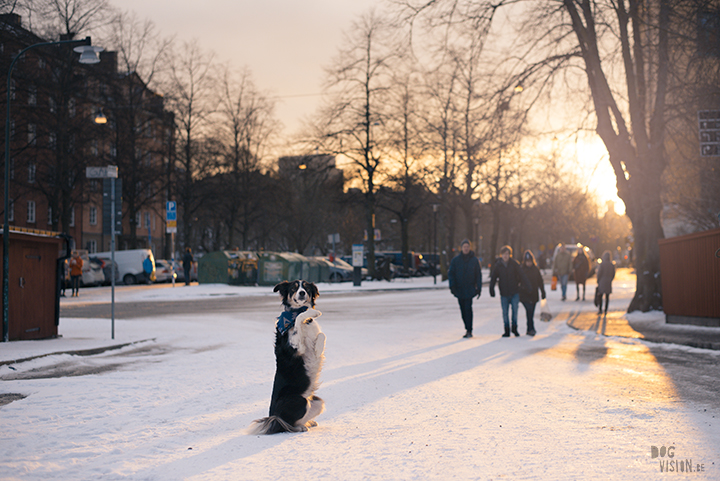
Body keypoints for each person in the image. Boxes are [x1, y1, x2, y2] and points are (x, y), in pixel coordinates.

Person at [490, 246, 531, 337]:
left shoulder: (514, 264)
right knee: (505, 312)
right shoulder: (498, 265)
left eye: (507, 254)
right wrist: (491, 289)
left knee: (515, 311)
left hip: (514, 292)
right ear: (501, 255)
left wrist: (527, 285)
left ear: (510, 255)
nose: (505, 256)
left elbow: (522, 275)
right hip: (504, 293)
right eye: (504, 254)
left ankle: (514, 328)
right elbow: (493, 277)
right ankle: (507, 329)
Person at [448, 239, 482, 339]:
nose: (466, 248)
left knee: (468, 308)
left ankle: (469, 329)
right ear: (461, 248)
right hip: (459, 289)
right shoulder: (456, 260)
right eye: (464, 247)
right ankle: (467, 327)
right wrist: (452, 286)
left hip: (470, 288)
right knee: (462, 310)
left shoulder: (474, 260)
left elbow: (478, 275)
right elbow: (451, 274)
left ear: (470, 248)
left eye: (467, 246)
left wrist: (478, 288)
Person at [519, 250, 546, 337]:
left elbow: (540, 281)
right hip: (524, 294)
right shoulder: (522, 270)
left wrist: (543, 291)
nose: (529, 263)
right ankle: (531, 328)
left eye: (530, 261)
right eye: (527, 262)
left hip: (534, 294)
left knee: (531, 311)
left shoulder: (535, 269)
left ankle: (530, 328)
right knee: (529, 310)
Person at [596, 251, 616, 315]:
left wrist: (598, 280)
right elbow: (613, 274)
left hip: (602, 281)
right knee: (607, 297)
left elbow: (599, 273)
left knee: (600, 296)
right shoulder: (611, 264)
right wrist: (610, 279)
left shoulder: (602, 264)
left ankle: (600, 309)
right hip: (608, 282)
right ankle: (606, 310)